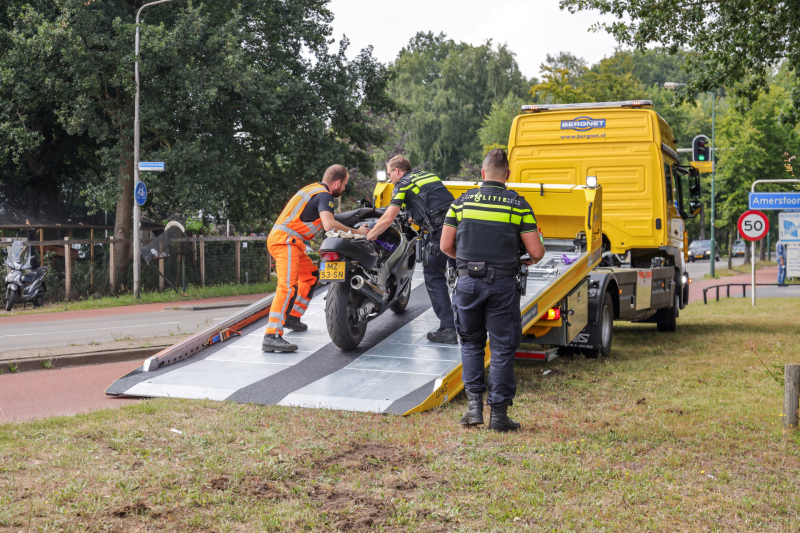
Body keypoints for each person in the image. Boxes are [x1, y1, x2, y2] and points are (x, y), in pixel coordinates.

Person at [439, 149, 545, 432]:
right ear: (507, 175)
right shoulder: (518, 205)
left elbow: (445, 246)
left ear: (482, 173)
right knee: (500, 348)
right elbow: (536, 252)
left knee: (471, 344)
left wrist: (466, 262)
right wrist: (524, 259)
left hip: (467, 284)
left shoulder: (460, 203)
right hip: (501, 285)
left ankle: (474, 409)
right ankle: (498, 416)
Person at [262, 165, 369, 352]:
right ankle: (271, 335)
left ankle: (292, 317)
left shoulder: (312, 189)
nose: (343, 189)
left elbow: (328, 219)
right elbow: (329, 225)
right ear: (337, 182)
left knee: (311, 276)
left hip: (291, 242)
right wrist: (358, 232)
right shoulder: (325, 195)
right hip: (285, 242)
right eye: (344, 184)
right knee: (287, 287)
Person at [366, 155, 457, 344]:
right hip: (459, 227)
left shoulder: (403, 184)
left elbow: (388, 217)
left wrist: (369, 235)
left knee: (433, 275)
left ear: (397, 171)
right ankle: (468, 325)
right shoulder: (428, 175)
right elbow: (431, 201)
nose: (390, 178)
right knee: (461, 275)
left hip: (440, 232)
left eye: (390, 173)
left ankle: (448, 329)